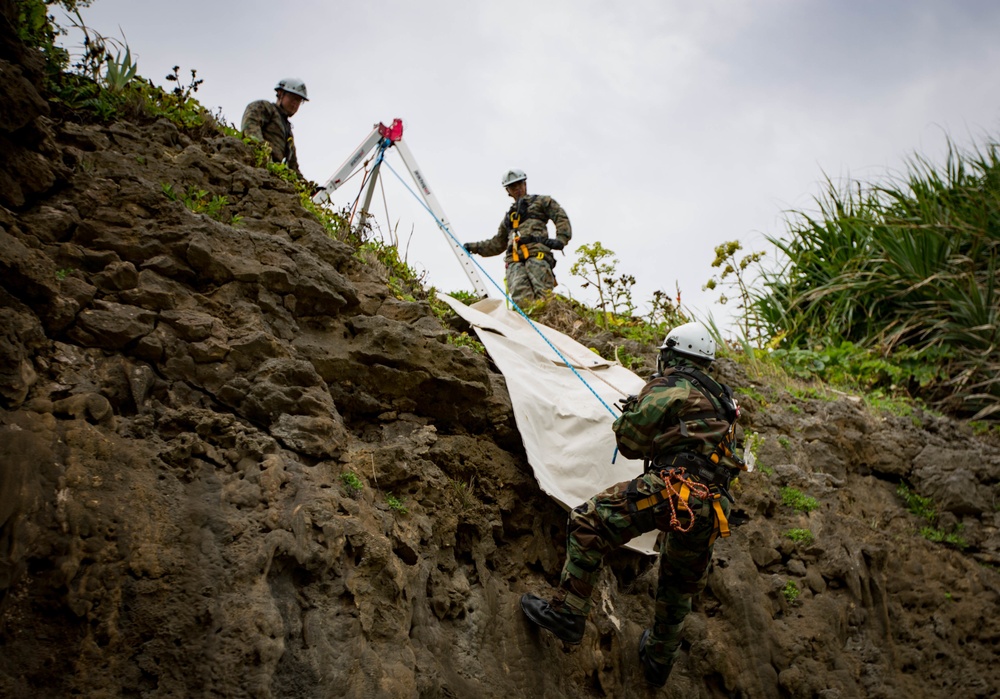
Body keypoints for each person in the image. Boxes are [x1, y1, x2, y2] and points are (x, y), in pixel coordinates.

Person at [520, 323, 746, 688]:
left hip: (674, 488)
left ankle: (566, 614)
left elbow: (629, 442)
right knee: (677, 582)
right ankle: (659, 660)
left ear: (672, 354)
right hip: (713, 505)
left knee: (590, 521)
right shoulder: (724, 401)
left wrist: (630, 414)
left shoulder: (670, 384)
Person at [463, 169, 571, 306]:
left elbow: (560, 216)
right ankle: (529, 325)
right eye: (513, 187)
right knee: (522, 301)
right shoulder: (509, 217)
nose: (517, 189)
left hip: (536, 255)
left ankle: (548, 325)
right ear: (508, 191)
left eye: (519, 185)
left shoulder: (541, 201)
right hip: (514, 262)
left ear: (525, 184)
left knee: (544, 299)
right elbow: (497, 243)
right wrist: (473, 247)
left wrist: (561, 239)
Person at [241, 78, 308, 178]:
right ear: (280, 94)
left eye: (299, 100)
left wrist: (309, 188)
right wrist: (263, 154)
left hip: (273, 173)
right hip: (254, 167)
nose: (295, 103)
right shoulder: (265, 107)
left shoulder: (288, 131)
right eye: (292, 98)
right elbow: (250, 127)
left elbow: (293, 166)